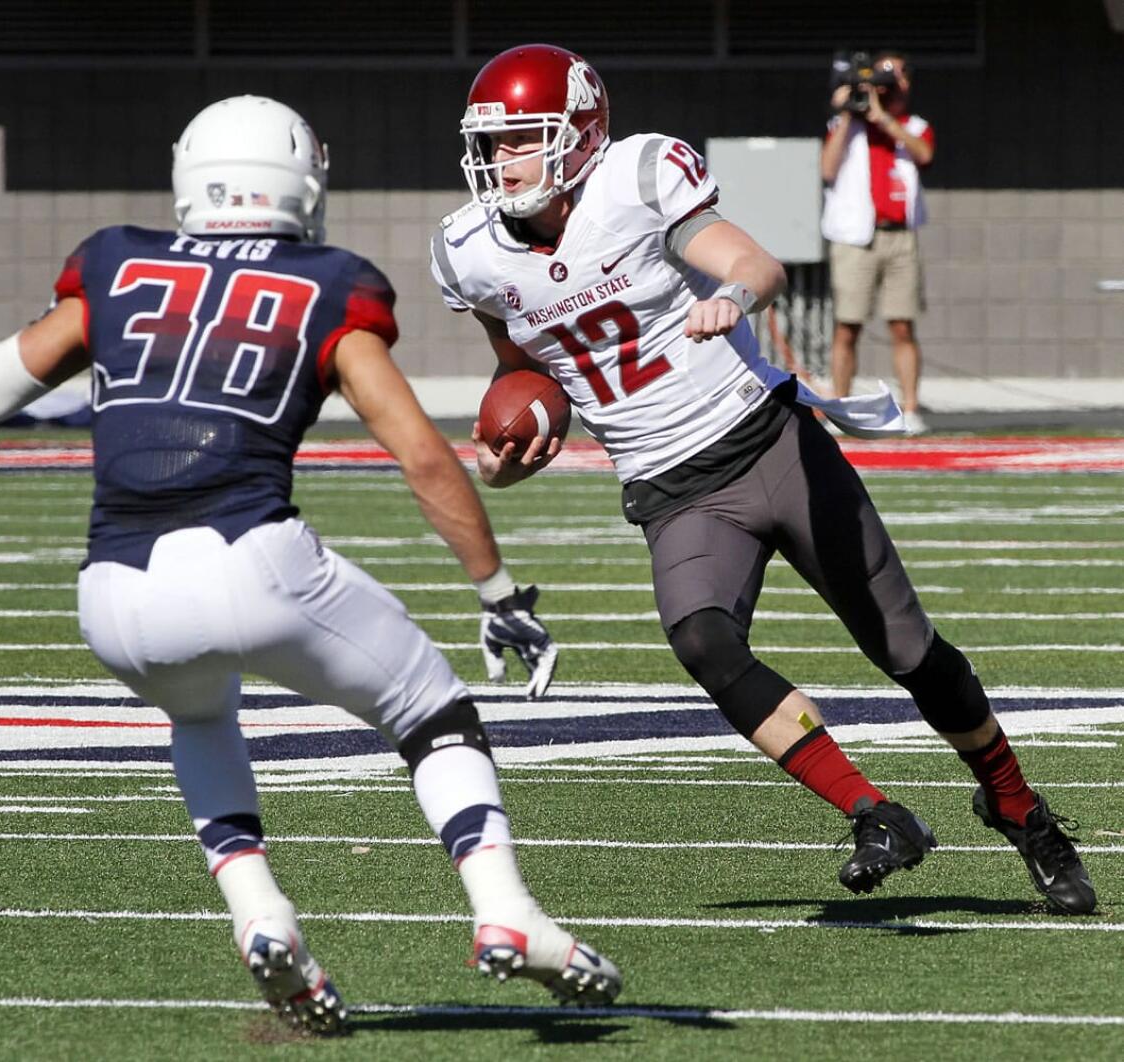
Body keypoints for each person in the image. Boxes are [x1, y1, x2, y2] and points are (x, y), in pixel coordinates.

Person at [0, 94, 620, 1036]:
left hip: (112, 594)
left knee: (198, 714)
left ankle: (260, 914)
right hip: (249, 557)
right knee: (430, 708)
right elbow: (421, 453)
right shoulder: (328, 281)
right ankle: (506, 907)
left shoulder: (113, 261)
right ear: (303, 179)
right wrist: (497, 590)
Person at [430, 44, 1096, 915]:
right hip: (671, 485)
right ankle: (872, 812)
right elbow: (525, 372)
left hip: (765, 439)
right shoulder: (471, 253)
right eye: (493, 143)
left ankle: (1020, 809)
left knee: (907, 650)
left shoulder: (636, 179)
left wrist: (731, 300)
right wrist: (511, 444)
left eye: (521, 139)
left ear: (581, 134)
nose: (500, 161)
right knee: (703, 642)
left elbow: (757, 265)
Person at [821, 52, 933, 435]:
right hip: (855, 237)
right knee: (846, 325)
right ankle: (840, 405)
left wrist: (883, 117)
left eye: (896, 75)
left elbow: (923, 154)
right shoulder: (844, 124)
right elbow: (827, 169)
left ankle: (911, 408)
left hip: (899, 235)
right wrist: (851, 114)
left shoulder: (913, 125)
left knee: (902, 324)